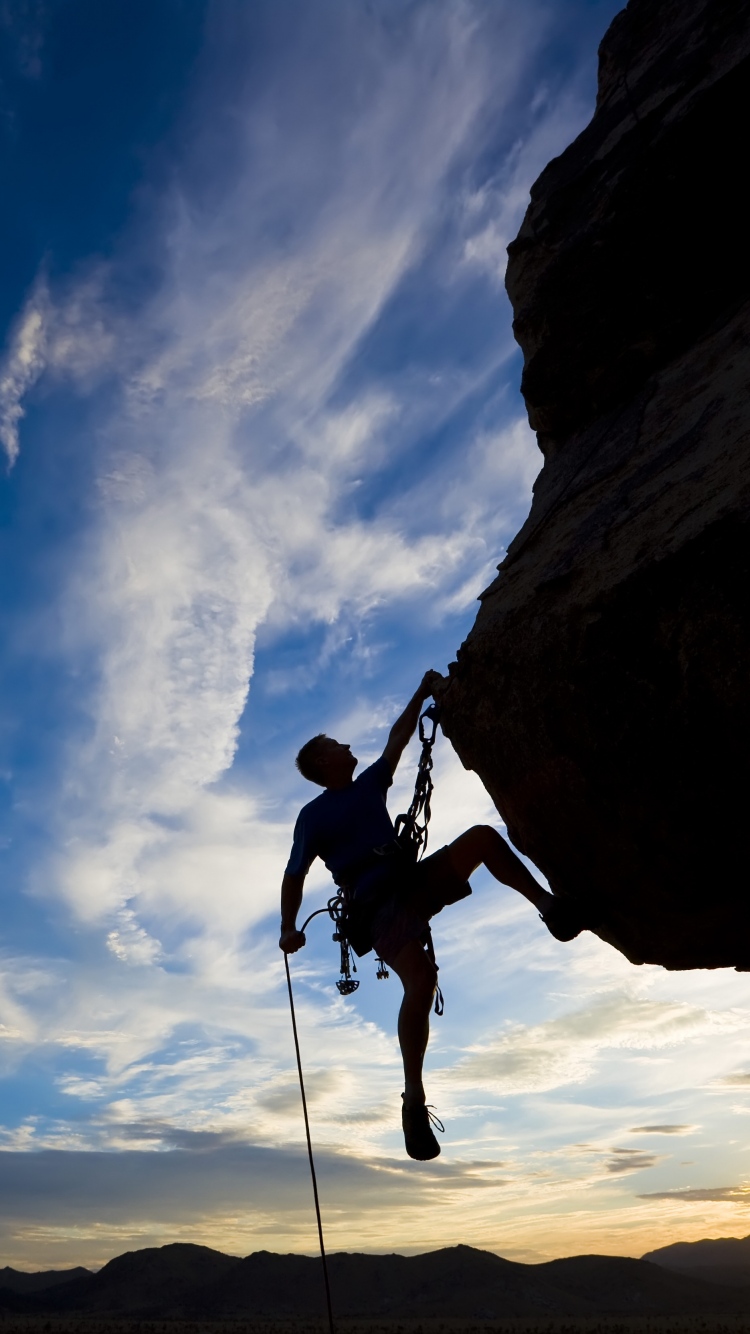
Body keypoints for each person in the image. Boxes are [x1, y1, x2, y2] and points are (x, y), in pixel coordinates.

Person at [279, 671, 589, 1162]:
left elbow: (397, 741)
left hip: (408, 883)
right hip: (377, 908)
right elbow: (294, 875)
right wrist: (287, 927)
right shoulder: (313, 817)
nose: (347, 744)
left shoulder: (366, 786)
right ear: (322, 761)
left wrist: (421, 694)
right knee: (421, 980)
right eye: (337, 743)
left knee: (483, 839)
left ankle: (550, 909)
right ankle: (413, 1098)